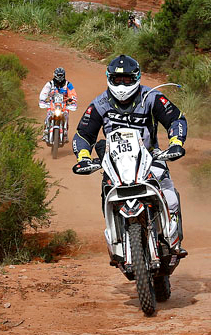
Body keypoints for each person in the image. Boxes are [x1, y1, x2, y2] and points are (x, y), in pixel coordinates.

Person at [72, 54, 188, 257]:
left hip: (151, 157)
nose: (123, 84)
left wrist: (176, 143)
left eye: (127, 79)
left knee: (170, 196)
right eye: (118, 80)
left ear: (136, 78)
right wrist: (83, 157)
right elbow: (83, 134)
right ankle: (116, 242)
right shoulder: (99, 104)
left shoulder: (151, 96)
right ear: (110, 78)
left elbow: (175, 119)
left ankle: (173, 239)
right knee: (107, 194)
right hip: (115, 163)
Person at [39, 67, 78, 137]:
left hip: (63, 105)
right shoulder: (50, 84)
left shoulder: (68, 84)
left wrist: (73, 100)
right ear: (55, 75)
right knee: (48, 115)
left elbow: (73, 93)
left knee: (66, 116)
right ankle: (46, 130)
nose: (60, 77)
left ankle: (65, 131)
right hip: (52, 104)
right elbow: (44, 92)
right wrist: (43, 99)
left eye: (61, 75)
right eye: (58, 75)